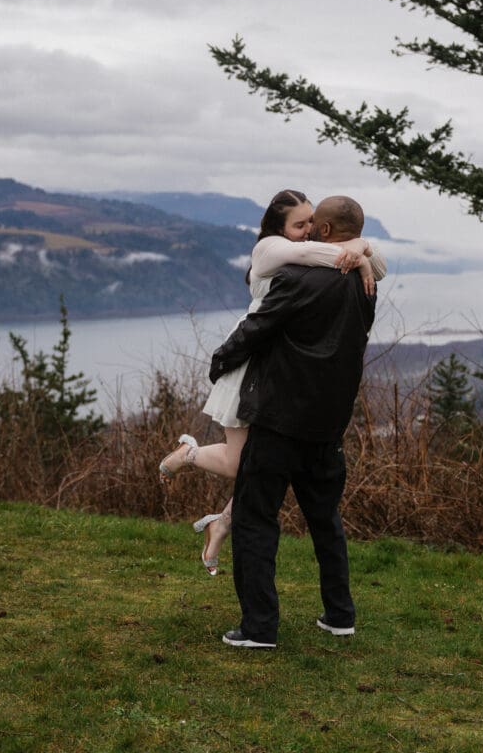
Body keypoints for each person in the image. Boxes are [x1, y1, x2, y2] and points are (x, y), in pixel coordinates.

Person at [158, 189, 386, 574]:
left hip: (271, 365)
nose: (308, 231)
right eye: (300, 224)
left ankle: (220, 525)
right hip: (248, 359)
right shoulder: (270, 249)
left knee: (259, 464)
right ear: (279, 228)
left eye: (312, 222)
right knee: (241, 463)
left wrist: (362, 251)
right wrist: (359, 254)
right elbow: (322, 255)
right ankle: (189, 454)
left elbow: (369, 263)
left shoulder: (310, 250)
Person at [208, 195, 376, 649]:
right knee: (326, 520)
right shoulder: (366, 284)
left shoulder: (299, 279)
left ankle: (259, 628)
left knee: (256, 519)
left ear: (323, 231)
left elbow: (257, 326)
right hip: (328, 425)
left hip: (280, 419)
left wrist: (220, 360)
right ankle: (340, 615)